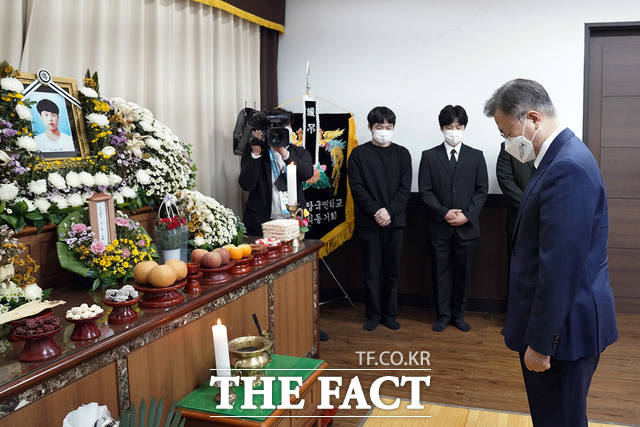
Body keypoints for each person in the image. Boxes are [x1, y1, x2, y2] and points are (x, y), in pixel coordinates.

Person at [484, 78, 618, 426]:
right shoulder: (559, 157)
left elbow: (560, 266)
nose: (507, 143)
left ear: (532, 119)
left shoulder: (567, 167)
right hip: (564, 323)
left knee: (559, 420)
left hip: (563, 333)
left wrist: (542, 343)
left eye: (507, 133)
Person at [418, 105, 488, 332]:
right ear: (442, 128)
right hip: (439, 226)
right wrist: (443, 212)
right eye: (449, 126)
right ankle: (443, 315)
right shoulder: (429, 156)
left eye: (458, 127)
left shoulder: (476, 156)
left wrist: (467, 215)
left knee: (463, 274)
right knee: (440, 273)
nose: (454, 131)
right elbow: (425, 191)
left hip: (467, 227)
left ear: (464, 128)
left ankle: (459, 315)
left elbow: (481, 190)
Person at [347, 106, 411, 331]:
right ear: (370, 127)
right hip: (368, 221)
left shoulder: (402, 154)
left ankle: (390, 314)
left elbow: (405, 189)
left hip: (395, 221)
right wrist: (376, 211)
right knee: (371, 271)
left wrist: (389, 211)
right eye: (379, 126)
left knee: (392, 271)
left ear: (393, 128)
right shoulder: (358, 154)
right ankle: (373, 314)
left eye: (388, 126)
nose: (384, 130)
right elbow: (357, 187)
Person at [238, 108, 314, 236]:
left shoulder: (299, 152)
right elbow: (246, 184)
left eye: (284, 126)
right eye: (275, 127)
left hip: (292, 220)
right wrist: (256, 154)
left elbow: (307, 173)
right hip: (261, 223)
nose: (278, 131)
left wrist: (285, 153)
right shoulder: (257, 152)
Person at [496, 141, 534, 272]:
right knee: (517, 270)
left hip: (548, 220)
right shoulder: (512, 144)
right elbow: (505, 178)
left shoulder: (552, 144)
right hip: (519, 220)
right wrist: (529, 205)